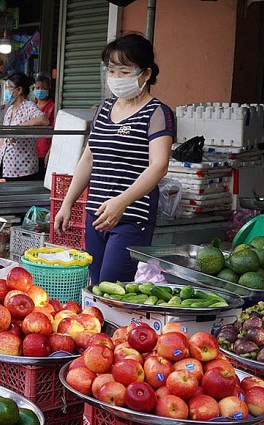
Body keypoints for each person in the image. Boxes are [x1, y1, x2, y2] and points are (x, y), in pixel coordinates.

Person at [53, 33, 175, 284]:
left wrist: (121, 202)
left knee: (113, 286)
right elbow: (88, 159)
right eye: (112, 70)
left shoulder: (157, 113)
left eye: (124, 71)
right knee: (96, 283)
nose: (116, 78)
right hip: (95, 214)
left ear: (146, 74)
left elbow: (159, 165)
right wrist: (68, 203)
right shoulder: (103, 109)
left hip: (131, 217)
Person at [0, 73, 49, 182]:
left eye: (9, 88)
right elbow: (3, 138)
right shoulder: (9, 110)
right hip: (4, 166)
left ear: (19, 90)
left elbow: (44, 120)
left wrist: (19, 127)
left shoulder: (29, 106)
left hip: (22, 169)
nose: (6, 91)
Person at [34, 75, 56, 178]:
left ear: (49, 89)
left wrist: (50, 151)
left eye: (44, 88)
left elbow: (56, 131)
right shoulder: (31, 106)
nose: (40, 90)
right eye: (38, 88)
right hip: (30, 151)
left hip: (44, 150)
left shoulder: (53, 107)